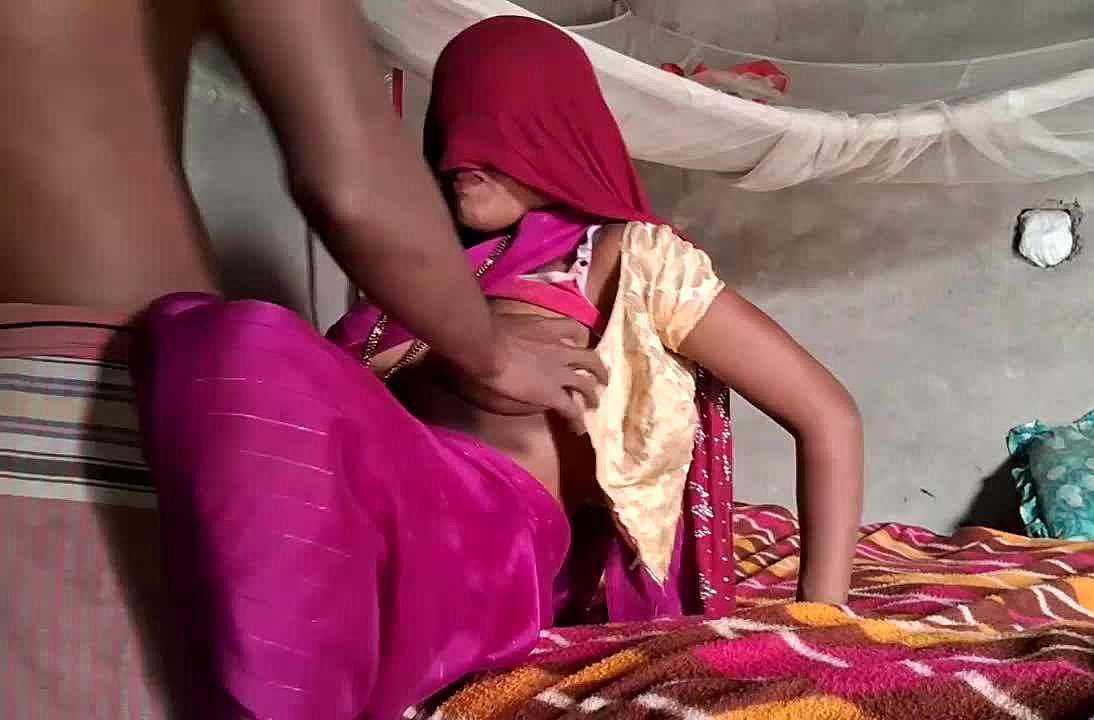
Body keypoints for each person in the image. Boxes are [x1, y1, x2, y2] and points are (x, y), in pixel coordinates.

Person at [131, 15, 865, 720]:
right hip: (362, 496)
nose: (458, 147)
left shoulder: (620, 258)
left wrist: (821, 618)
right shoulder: (415, 284)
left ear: (551, 126)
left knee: (249, 342)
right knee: (214, 334)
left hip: (481, 538)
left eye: (491, 115)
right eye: (448, 120)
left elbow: (827, 415)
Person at [1, 2, 600, 717]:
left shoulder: (620, 255)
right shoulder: (385, 325)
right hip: (93, 394)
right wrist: (495, 356)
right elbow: (354, 184)